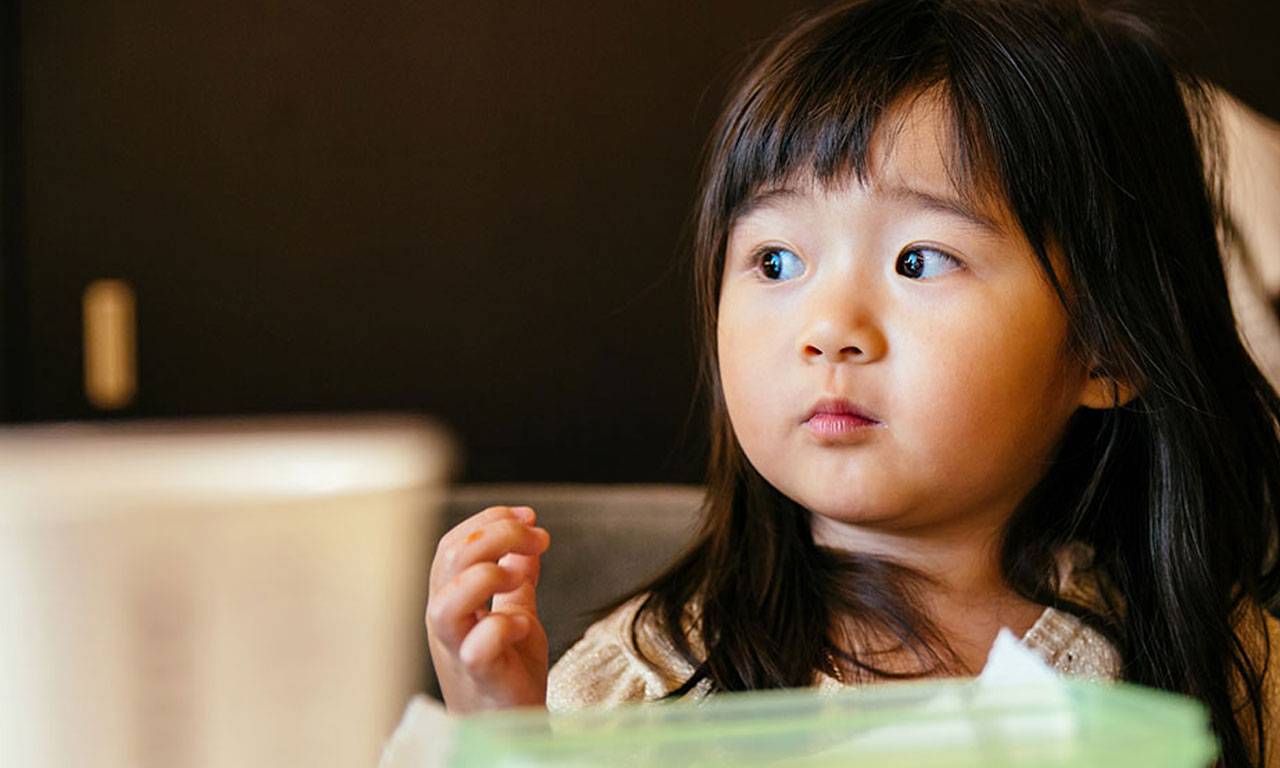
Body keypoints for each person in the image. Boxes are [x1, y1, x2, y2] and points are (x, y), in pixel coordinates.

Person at [425, 1, 1280, 765]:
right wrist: (505, 735)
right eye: (777, 260)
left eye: (918, 260)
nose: (829, 326)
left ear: (1106, 350)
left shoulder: (1212, 662)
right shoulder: (644, 688)